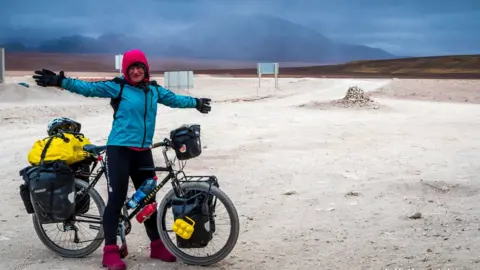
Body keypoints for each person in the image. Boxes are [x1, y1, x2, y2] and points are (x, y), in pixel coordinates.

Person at [32, 49, 212, 270]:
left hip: (143, 151)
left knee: (148, 200)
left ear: (146, 69)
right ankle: (110, 251)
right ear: (126, 71)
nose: (136, 71)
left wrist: (195, 102)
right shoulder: (119, 86)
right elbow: (89, 89)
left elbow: (175, 99)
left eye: (139, 67)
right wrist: (60, 81)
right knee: (116, 201)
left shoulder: (154, 91)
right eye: (131, 68)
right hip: (120, 150)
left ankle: (156, 245)